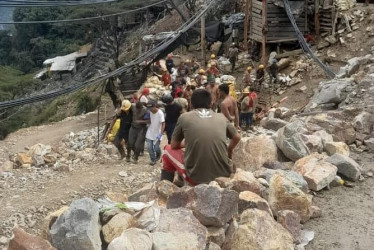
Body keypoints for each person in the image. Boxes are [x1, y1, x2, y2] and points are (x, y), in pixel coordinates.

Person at [160, 89, 241, 185]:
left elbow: (173, 145)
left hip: (196, 178)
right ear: (211, 103)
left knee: (166, 150)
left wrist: (187, 142)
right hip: (224, 175)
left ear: (191, 104)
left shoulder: (184, 117)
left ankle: (164, 188)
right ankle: (180, 182)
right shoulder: (221, 117)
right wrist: (229, 150)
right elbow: (237, 137)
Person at [145, 100, 165, 165]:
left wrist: (160, 134)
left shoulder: (160, 113)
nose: (150, 109)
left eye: (151, 108)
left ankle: (158, 154)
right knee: (149, 147)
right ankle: (153, 160)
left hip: (157, 133)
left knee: (156, 148)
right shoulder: (149, 112)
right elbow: (150, 120)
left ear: (154, 106)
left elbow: (163, 124)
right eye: (149, 108)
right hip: (150, 132)